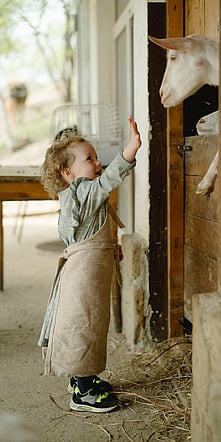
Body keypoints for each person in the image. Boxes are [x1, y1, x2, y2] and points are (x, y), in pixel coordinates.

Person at [38, 116, 142, 413]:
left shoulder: (84, 197)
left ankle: (82, 378)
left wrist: (112, 248)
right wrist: (131, 148)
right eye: (89, 158)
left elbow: (92, 234)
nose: (97, 163)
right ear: (68, 172)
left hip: (89, 272)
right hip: (83, 277)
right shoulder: (84, 191)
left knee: (91, 324)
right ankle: (82, 393)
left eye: (96, 157)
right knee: (82, 325)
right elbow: (110, 181)